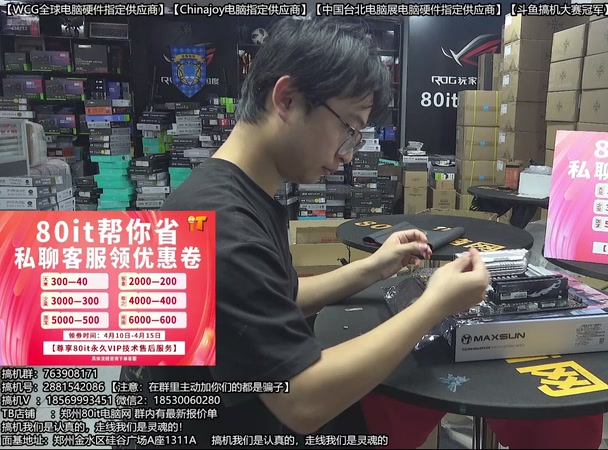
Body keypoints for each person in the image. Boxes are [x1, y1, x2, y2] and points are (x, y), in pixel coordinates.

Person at [116, 16, 490, 449]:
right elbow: (301, 401)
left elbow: (276, 298)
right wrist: (434, 304)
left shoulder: (234, 191)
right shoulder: (224, 224)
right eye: (348, 129)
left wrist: (374, 267)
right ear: (288, 100)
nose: (348, 155)